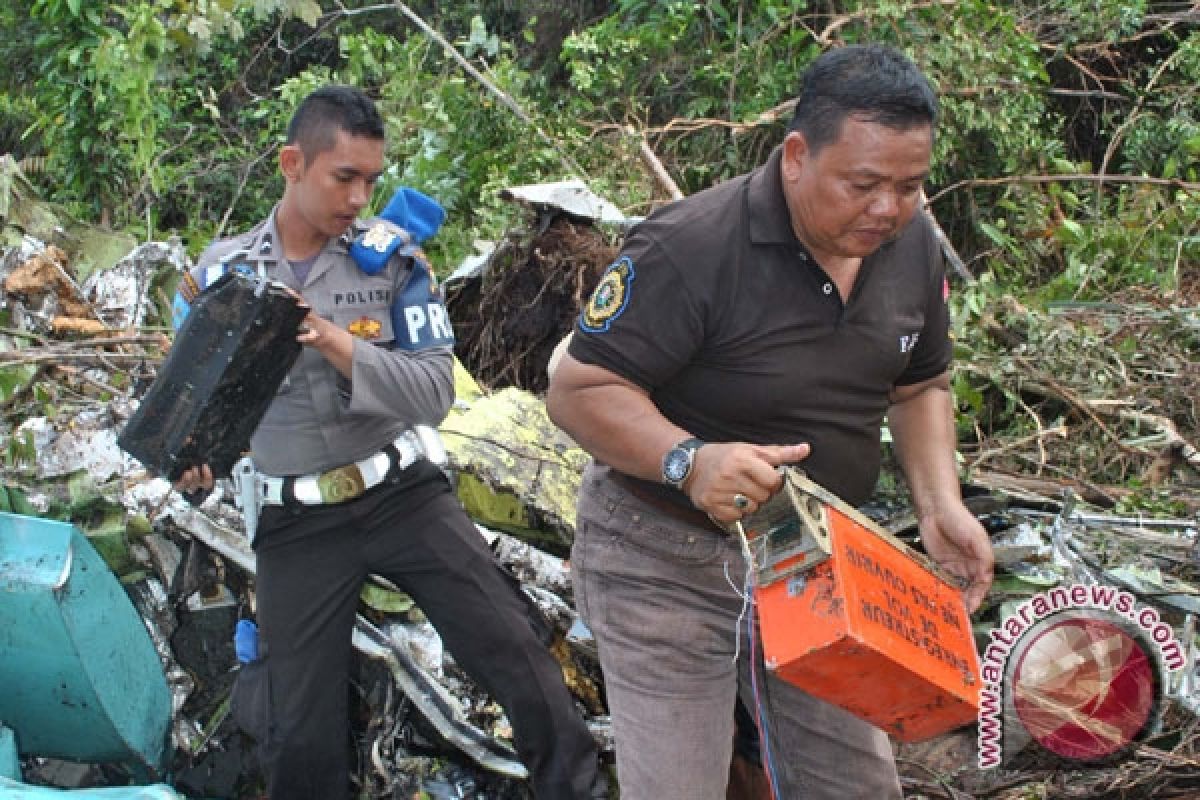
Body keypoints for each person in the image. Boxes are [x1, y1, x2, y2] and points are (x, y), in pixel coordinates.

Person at [545, 44, 993, 800]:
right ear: (796, 156)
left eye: (910, 187)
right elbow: (579, 389)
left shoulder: (910, 243)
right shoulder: (689, 247)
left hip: (817, 558)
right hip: (663, 560)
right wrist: (691, 461)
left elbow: (921, 384)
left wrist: (939, 504)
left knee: (854, 786)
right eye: (864, 185)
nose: (887, 209)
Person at [172, 85, 601, 800]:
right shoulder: (222, 278)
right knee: (296, 730)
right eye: (345, 177)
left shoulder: (393, 264)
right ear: (291, 163)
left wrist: (340, 345)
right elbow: (193, 409)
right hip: (297, 523)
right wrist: (195, 465)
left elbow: (434, 392)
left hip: (403, 497)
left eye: (371, 180)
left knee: (516, 653)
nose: (359, 198)